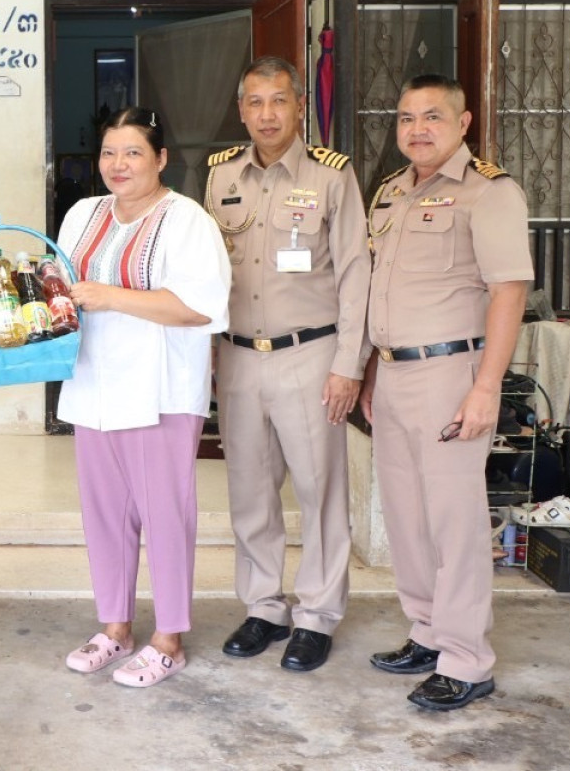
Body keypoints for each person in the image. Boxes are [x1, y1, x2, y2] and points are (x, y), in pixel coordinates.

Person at [360, 73, 531, 712]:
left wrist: (486, 388)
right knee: (406, 515)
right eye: (406, 118)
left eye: (432, 116)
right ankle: (427, 631)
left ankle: (466, 658)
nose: (417, 129)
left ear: (462, 124)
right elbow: (379, 289)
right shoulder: (390, 192)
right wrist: (371, 372)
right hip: (393, 374)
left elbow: (508, 292)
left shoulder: (489, 191)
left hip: (450, 375)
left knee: (454, 521)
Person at [205, 57, 370, 673]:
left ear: (300, 106)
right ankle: (264, 607)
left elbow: (355, 273)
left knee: (319, 491)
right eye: (255, 102)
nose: (267, 114)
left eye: (279, 101)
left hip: (311, 355)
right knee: (249, 491)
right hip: (239, 358)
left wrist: (349, 363)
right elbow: (206, 274)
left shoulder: (332, 176)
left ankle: (317, 615)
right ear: (241, 110)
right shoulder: (221, 174)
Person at [56, 107, 230, 688]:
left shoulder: (186, 220)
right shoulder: (83, 214)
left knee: (165, 514)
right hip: (93, 385)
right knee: (104, 513)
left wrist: (112, 296)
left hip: (161, 390)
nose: (119, 164)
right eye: (109, 152)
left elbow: (201, 307)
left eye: (133, 152)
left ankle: (168, 640)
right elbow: (62, 287)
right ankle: (115, 628)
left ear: (161, 159)